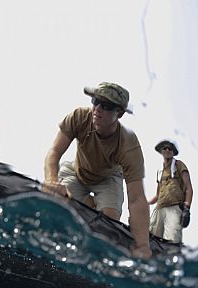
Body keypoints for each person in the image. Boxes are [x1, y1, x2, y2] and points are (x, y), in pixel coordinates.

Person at [43, 82, 151, 259]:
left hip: (108, 179)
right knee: (57, 203)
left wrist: (143, 245)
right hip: (77, 171)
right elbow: (54, 152)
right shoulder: (79, 116)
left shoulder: (128, 143)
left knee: (108, 223)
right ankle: (86, 202)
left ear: (120, 113)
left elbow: (137, 197)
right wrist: (51, 181)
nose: (97, 109)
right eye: (95, 101)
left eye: (106, 106)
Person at [148, 140, 193, 243]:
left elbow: (189, 188)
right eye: (165, 148)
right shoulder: (160, 171)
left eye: (170, 148)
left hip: (174, 207)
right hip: (159, 208)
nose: (167, 150)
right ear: (161, 151)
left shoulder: (179, 165)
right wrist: (145, 202)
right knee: (151, 238)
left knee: (172, 240)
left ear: (173, 152)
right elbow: (157, 195)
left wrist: (187, 209)